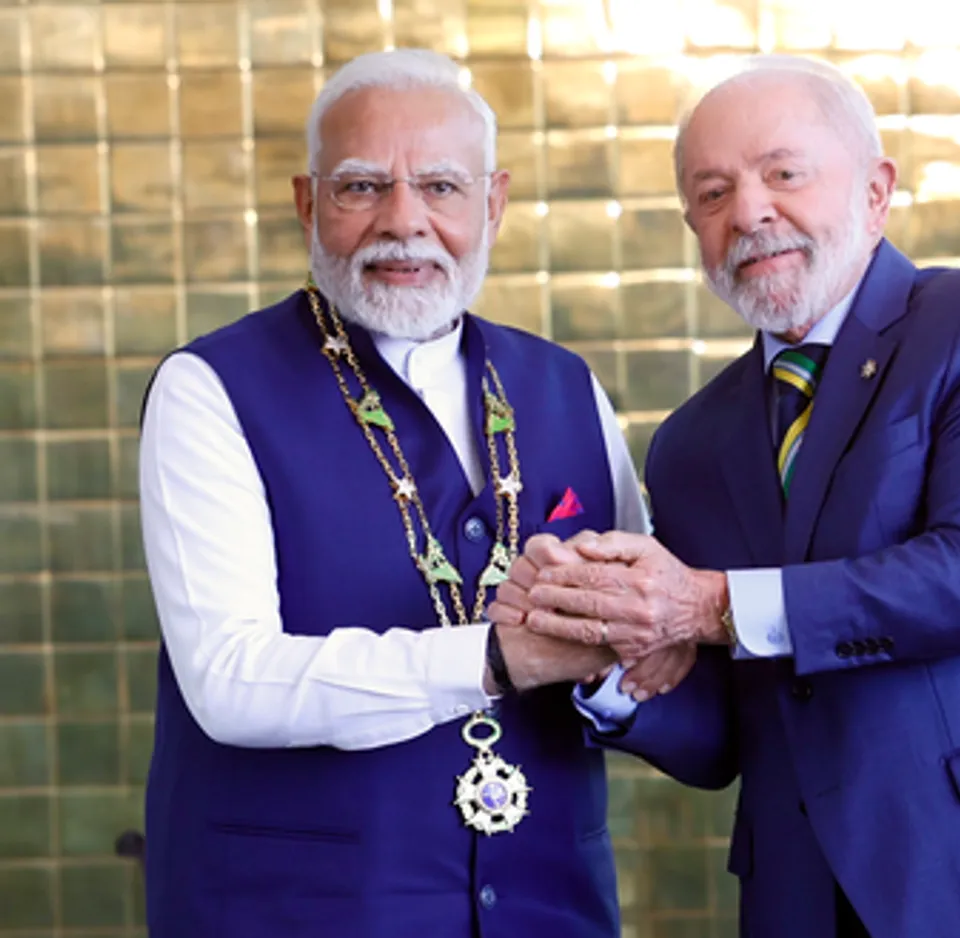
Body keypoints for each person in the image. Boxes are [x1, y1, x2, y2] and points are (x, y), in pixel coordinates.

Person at [489, 56, 960, 938]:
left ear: (877, 191)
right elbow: (728, 734)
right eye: (712, 192)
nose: (749, 211)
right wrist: (610, 654)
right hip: (805, 899)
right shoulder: (690, 445)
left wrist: (702, 603)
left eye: (783, 174)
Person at [137, 48, 674, 938]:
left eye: (440, 187)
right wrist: (495, 661)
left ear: (493, 203)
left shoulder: (565, 384)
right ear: (308, 204)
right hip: (300, 913)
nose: (404, 222)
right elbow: (229, 679)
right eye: (361, 188)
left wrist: (626, 664)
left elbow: (640, 648)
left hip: (549, 905)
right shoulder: (210, 387)